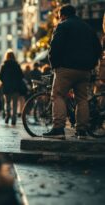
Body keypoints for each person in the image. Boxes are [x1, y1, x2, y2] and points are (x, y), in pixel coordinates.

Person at [44, 4, 102, 139]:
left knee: (57, 96)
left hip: (65, 68)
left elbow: (55, 48)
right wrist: (91, 65)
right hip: (84, 70)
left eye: (59, 17)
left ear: (62, 15)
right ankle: (82, 131)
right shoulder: (88, 27)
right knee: (82, 99)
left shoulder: (63, 25)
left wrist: (55, 65)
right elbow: (98, 49)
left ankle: (58, 129)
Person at [0, 50, 24, 126]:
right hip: (16, 88)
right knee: (15, 104)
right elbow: (21, 76)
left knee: (7, 103)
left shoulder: (4, 65)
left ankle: (7, 115)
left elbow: (0, 76)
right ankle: (14, 119)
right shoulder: (17, 65)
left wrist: (5, 82)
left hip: (6, 87)